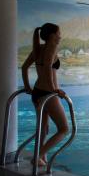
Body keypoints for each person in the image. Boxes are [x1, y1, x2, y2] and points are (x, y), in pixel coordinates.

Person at [21, 23, 69, 167]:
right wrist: (55, 89)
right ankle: (37, 156)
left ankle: (41, 160)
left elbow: (24, 67)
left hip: (37, 92)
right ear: (52, 35)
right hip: (48, 94)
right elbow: (48, 66)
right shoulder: (51, 47)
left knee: (44, 129)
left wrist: (27, 87)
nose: (60, 36)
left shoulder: (38, 49)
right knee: (64, 129)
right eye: (59, 33)